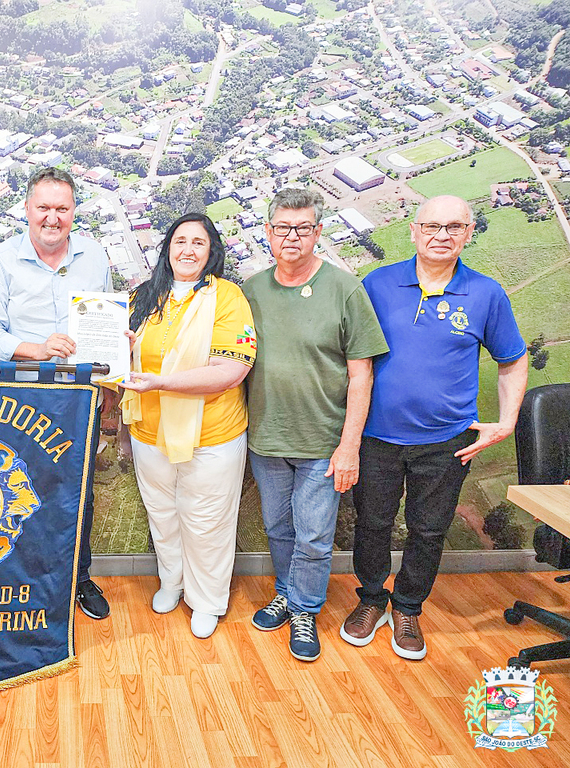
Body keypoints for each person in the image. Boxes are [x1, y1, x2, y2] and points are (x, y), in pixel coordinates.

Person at [341, 195, 528, 660]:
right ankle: (370, 600)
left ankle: (407, 607)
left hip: (447, 443)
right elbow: (352, 359)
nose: (441, 235)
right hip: (376, 437)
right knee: (373, 524)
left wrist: (507, 422)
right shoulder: (377, 284)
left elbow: (513, 360)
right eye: (431, 226)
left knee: (428, 530)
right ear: (413, 230)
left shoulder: (486, 294)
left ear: (468, 233)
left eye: (453, 227)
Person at [242, 187, 388, 663]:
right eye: (282, 227)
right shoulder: (252, 290)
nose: (292, 237)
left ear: (317, 232)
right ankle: (285, 592)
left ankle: (304, 609)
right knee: (279, 528)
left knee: (313, 536)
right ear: (268, 233)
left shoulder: (345, 289)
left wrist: (349, 447)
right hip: (266, 439)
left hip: (322, 444)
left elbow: (362, 374)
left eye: (302, 228)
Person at [0, 167, 112, 620]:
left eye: (62, 209)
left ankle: (79, 577)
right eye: (44, 208)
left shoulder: (95, 255)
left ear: (74, 212)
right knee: (16, 488)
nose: (52, 218)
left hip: (78, 396)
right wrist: (37, 349)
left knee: (78, 491)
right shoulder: (0, 260)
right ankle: (18, 579)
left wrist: (115, 346)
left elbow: (105, 321)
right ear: (27, 210)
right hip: (19, 397)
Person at [119, 213, 256, 639]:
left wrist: (162, 383)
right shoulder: (144, 296)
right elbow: (119, 359)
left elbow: (231, 371)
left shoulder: (228, 297)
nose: (188, 249)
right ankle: (172, 582)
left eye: (199, 242)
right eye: (180, 240)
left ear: (211, 252)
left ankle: (207, 599)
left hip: (211, 434)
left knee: (207, 520)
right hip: (148, 433)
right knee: (162, 514)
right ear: (167, 248)